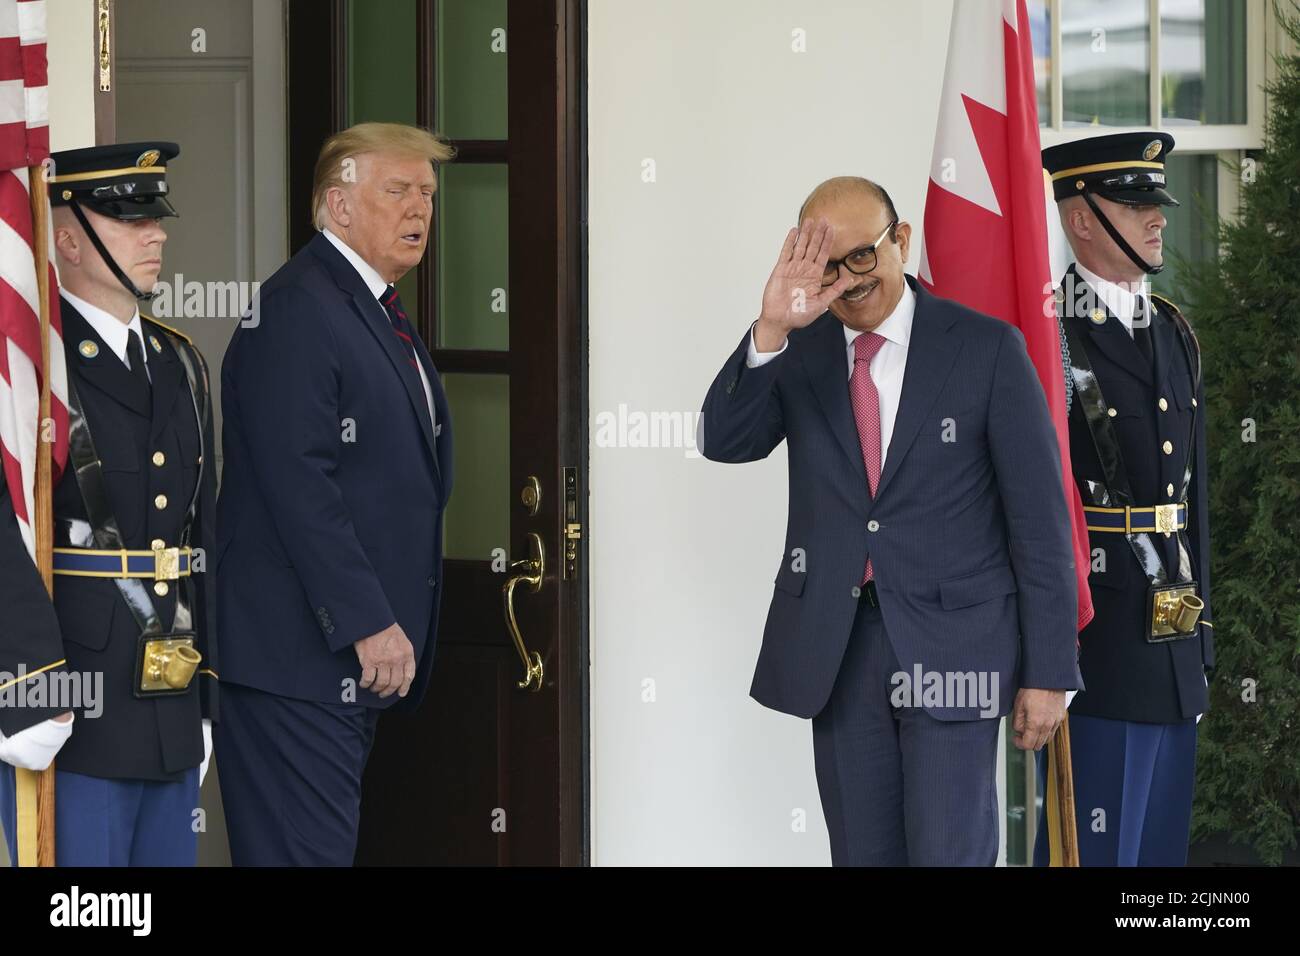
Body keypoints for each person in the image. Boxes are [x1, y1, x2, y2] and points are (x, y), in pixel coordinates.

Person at [700, 177, 1083, 866]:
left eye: (861, 257)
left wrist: (1050, 670)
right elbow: (725, 440)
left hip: (957, 648)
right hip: (841, 650)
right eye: (825, 262)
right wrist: (770, 330)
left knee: (949, 854)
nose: (845, 281)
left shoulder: (987, 349)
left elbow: (1040, 523)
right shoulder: (802, 349)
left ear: (900, 241)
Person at [216, 122, 454, 865]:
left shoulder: (369, 304)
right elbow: (300, 486)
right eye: (397, 190)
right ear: (338, 205)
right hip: (299, 658)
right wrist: (367, 620)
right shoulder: (298, 308)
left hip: (337, 665)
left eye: (428, 193)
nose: (420, 207)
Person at [0, 142, 218, 866]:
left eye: (156, 217)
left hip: (170, 698)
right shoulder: (33, 369)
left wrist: (207, 690)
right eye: (128, 220)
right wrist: (26, 685)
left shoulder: (179, 361)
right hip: (72, 703)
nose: (155, 233)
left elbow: (202, 531)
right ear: (68, 238)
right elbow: (8, 528)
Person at [1036, 132, 1212, 867]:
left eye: (1156, 202)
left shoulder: (1172, 328)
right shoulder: (1046, 331)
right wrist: (1043, 657)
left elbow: (1194, 498)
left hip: (1172, 638)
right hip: (1096, 643)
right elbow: (1031, 508)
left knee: (1159, 860)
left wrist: (1203, 645)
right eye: (1136, 203)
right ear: (1082, 220)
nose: (1157, 217)